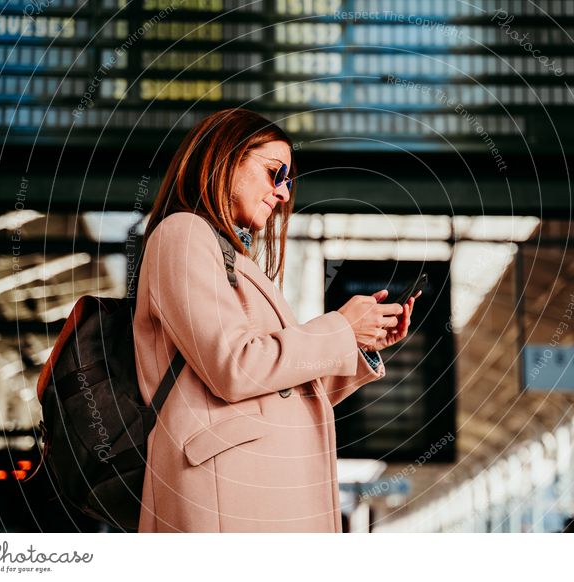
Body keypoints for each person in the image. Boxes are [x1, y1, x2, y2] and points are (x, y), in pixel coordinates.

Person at [133, 108, 418, 532]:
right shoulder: (184, 234)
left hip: (248, 491)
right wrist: (339, 328)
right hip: (227, 498)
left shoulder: (231, 259)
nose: (283, 192)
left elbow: (275, 390)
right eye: (274, 172)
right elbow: (234, 366)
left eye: (288, 181)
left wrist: (357, 343)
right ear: (225, 160)